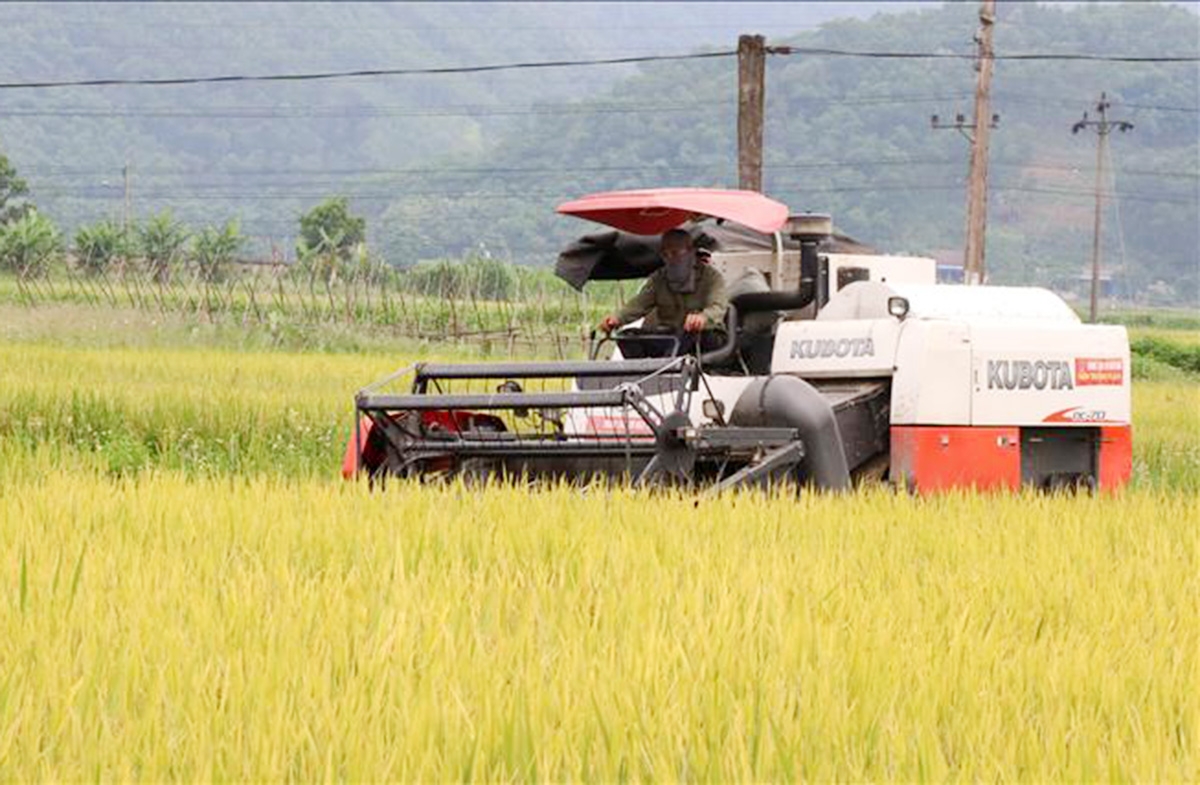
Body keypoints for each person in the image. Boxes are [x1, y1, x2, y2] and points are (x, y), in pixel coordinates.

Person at [598, 229, 727, 357]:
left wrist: (703, 318)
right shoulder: (659, 279)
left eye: (675, 253)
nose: (670, 259)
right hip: (671, 337)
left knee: (688, 334)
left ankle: (667, 371)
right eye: (666, 255)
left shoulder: (711, 277)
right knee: (627, 336)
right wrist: (617, 319)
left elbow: (718, 307)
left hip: (705, 337)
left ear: (691, 252)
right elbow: (639, 304)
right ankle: (643, 372)